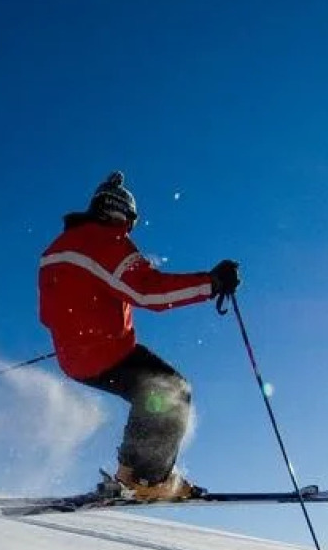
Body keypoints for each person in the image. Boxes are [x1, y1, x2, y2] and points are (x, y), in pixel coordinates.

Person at [38, 171, 240, 502]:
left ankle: (130, 473)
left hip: (73, 355)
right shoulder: (105, 242)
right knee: (171, 390)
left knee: (149, 394)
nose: (129, 231)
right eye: (130, 223)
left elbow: (52, 311)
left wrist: (78, 334)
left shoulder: (56, 249)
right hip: (108, 352)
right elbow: (148, 292)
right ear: (120, 214)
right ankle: (148, 480)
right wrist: (212, 283)